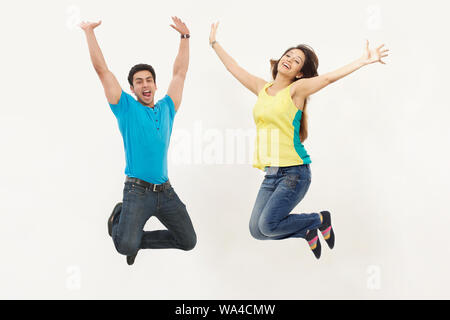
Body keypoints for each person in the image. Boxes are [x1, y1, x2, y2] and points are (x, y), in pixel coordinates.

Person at [209, 22, 389, 259]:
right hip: (271, 174)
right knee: (257, 231)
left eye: (296, 61)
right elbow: (234, 68)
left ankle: (320, 219)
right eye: (288, 55)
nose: (289, 59)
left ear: (300, 73)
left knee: (268, 225)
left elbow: (327, 79)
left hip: (294, 173)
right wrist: (214, 43)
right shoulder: (262, 88)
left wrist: (362, 61)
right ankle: (307, 230)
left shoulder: (297, 90)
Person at [80, 17, 196, 265]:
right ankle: (120, 222)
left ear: (155, 84)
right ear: (132, 88)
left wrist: (185, 38)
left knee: (188, 241)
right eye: (139, 82)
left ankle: (135, 239)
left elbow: (180, 73)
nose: (145, 84)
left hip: (166, 192)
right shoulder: (126, 108)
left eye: (149, 80)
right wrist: (89, 32)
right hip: (137, 191)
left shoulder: (167, 107)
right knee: (124, 247)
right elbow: (102, 70)